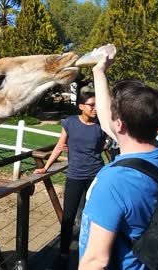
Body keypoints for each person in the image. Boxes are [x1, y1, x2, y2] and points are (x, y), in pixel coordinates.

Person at [78, 45, 158, 269]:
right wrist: (99, 71)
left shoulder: (115, 181)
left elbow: (96, 260)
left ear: (119, 125)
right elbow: (108, 118)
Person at [34, 91, 105, 266]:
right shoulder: (70, 123)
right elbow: (59, 147)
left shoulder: (101, 125)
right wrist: (45, 167)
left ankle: (91, 250)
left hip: (96, 175)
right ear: (81, 106)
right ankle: (64, 252)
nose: (95, 108)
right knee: (69, 216)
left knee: (94, 215)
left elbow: (100, 149)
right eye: (91, 105)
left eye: (96, 105)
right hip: (75, 175)